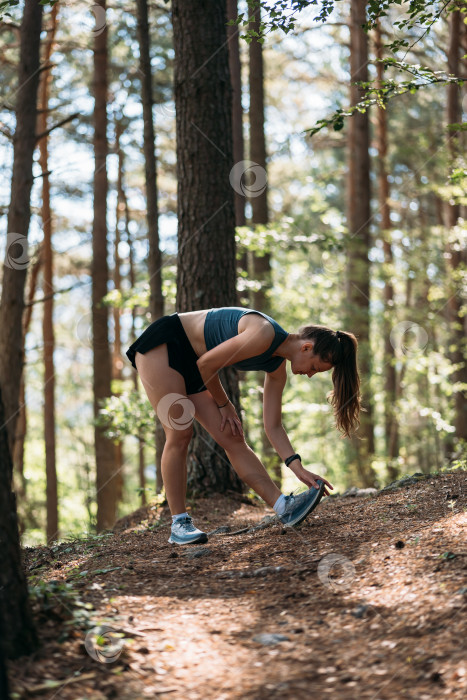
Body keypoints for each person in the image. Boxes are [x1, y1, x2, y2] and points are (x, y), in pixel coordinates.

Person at [126, 307, 361, 545]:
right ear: (307, 347)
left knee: (233, 436)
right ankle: (179, 524)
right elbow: (207, 365)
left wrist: (297, 468)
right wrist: (224, 404)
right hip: (164, 345)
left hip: (196, 363)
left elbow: (274, 426)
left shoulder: (277, 367)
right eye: (314, 368)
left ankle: (284, 508)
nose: (310, 375)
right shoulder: (263, 333)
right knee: (180, 432)